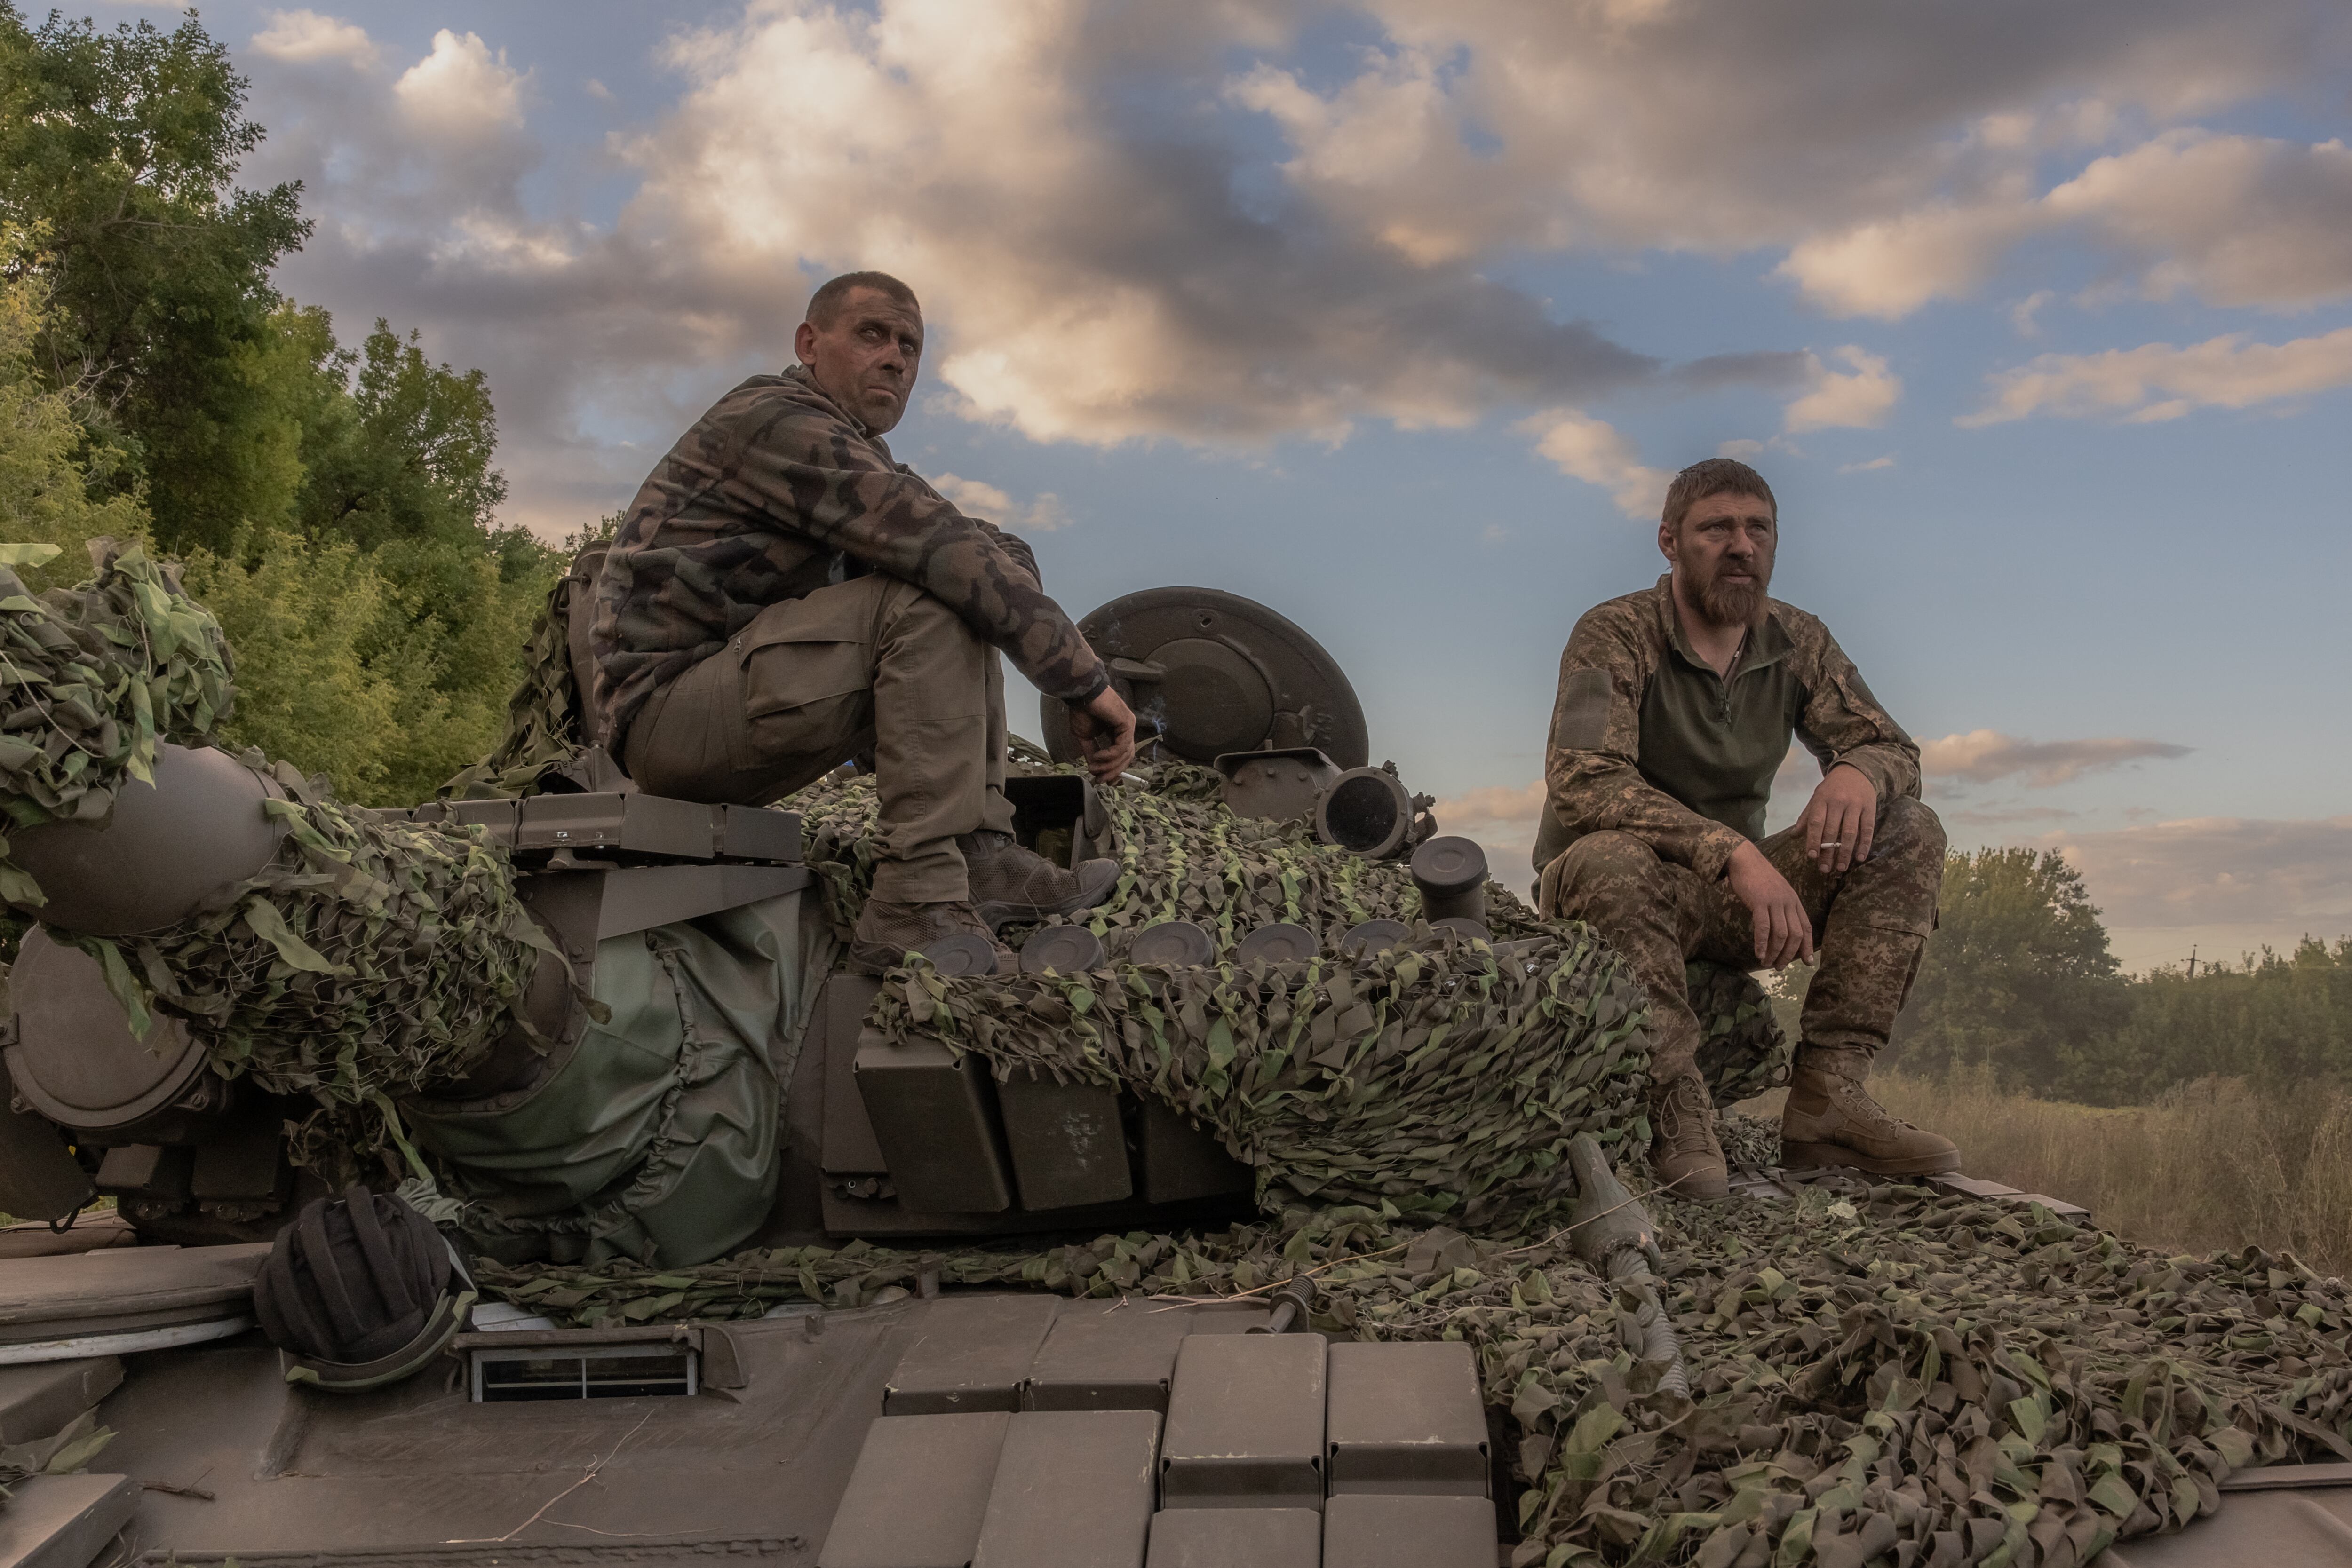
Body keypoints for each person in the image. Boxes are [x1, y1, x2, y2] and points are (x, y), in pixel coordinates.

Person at [590, 270, 1137, 974]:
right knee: (932, 588)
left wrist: (1016, 584)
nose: (896, 358)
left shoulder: (855, 452)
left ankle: (977, 854)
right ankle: (913, 898)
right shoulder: (775, 421)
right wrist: (1084, 681)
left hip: (746, 708)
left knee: (970, 571)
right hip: (670, 717)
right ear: (810, 344)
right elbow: (942, 550)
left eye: (910, 346)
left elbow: (986, 548)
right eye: (872, 335)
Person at [1534, 457, 1958, 1199]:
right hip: (1606, 897)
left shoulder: (1796, 640)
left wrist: (1857, 771)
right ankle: (1673, 1103)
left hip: (1727, 900)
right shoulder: (1615, 632)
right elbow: (1584, 777)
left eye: (1757, 528)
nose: (1741, 546)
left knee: (1909, 826)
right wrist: (1727, 849)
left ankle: (1830, 1095)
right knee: (1611, 860)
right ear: (1670, 541)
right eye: (1716, 529)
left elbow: (1895, 749)